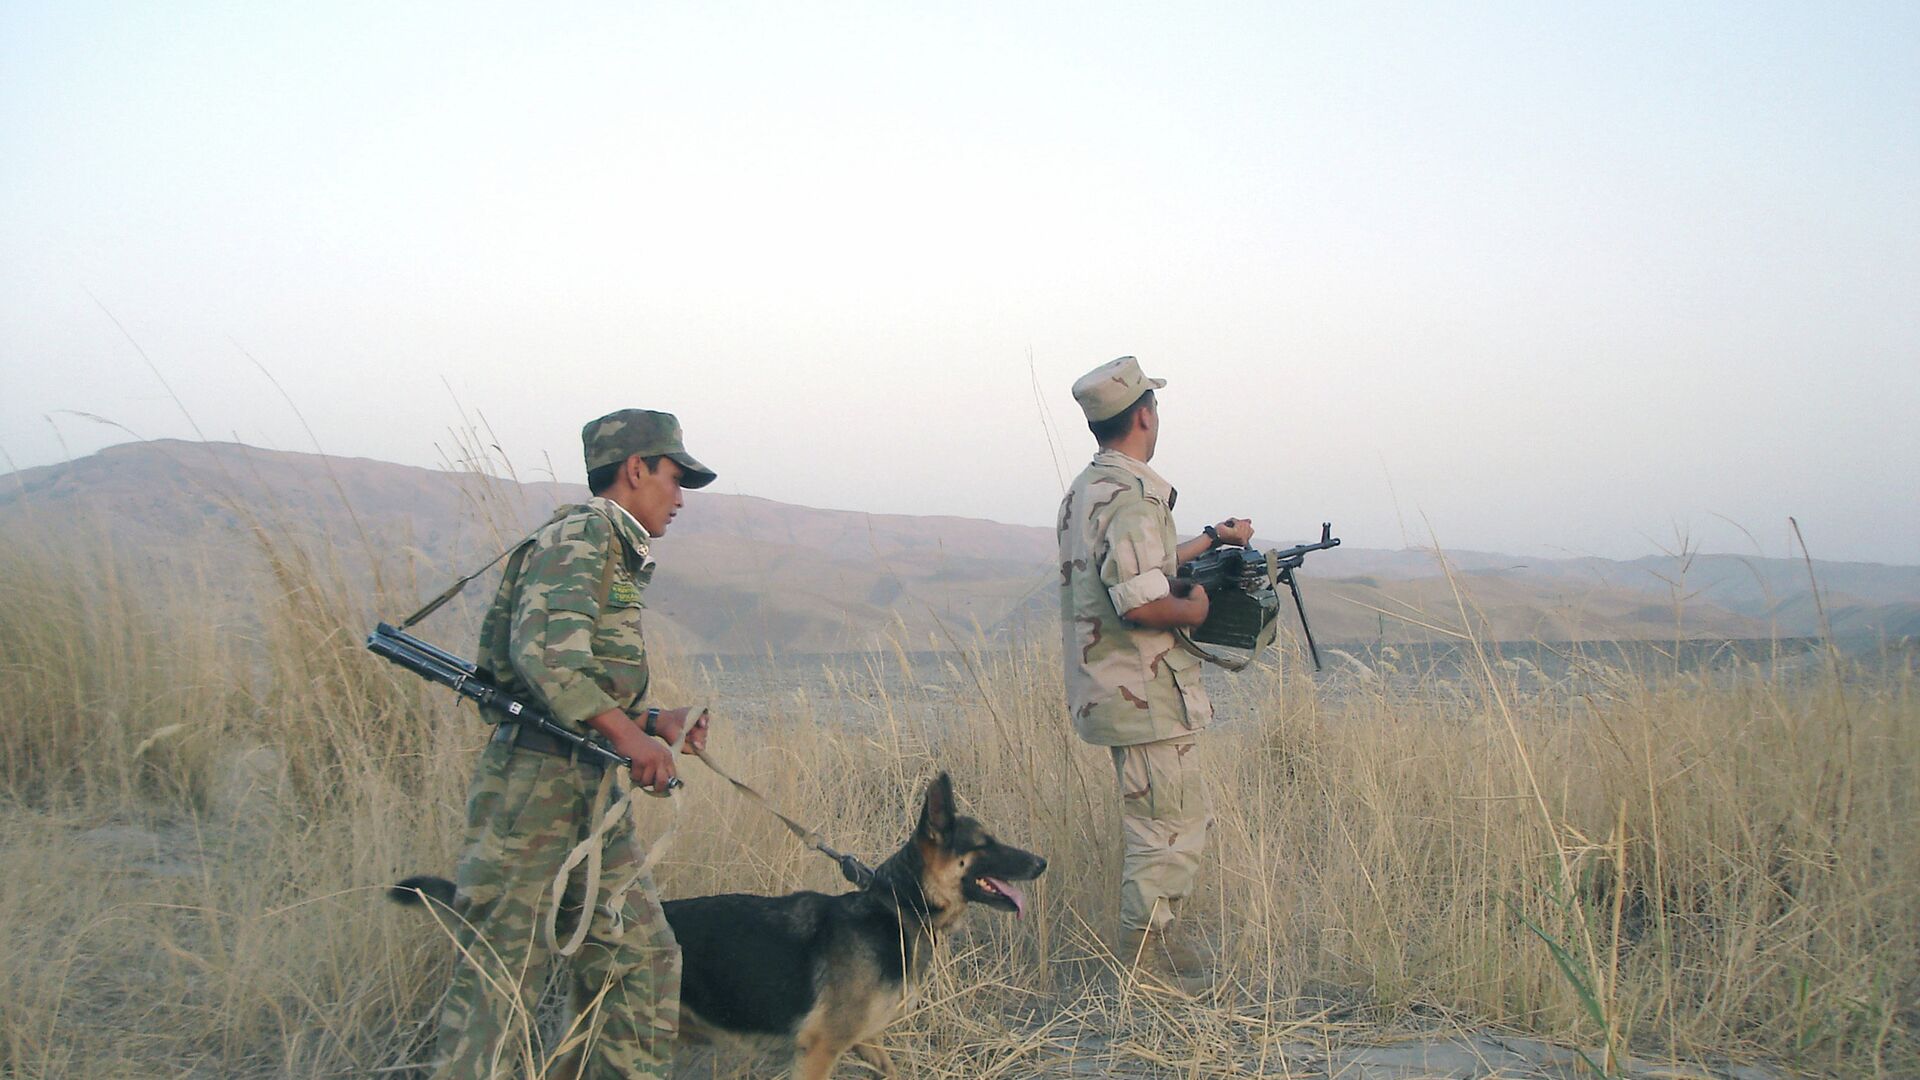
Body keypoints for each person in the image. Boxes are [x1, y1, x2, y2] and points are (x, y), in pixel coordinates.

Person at [430, 408, 716, 1079]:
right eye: (674, 479)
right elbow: (546, 658)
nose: (679, 499)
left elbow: (580, 679)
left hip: (587, 793)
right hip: (531, 793)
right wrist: (629, 737)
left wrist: (652, 724)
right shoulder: (584, 535)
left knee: (645, 962)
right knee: (498, 986)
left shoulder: (614, 549)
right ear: (636, 468)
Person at [1057, 356, 1253, 995]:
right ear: (1145, 415)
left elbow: (1137, 560)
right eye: (1155, 408)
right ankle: (1142, 969)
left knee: (1165, 822)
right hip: (1144, 695)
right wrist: (1196, 606)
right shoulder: (1135, 496)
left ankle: (1158, 949)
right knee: (1165, 831)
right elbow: (1141, 602)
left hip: (1118, 694)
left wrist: (1207, 540)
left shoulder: (1091, 489)